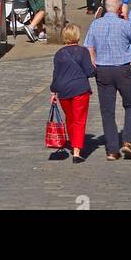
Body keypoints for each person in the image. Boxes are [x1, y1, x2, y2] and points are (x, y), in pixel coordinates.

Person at [84, 0, 131, 159]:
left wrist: (94, 63)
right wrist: (126, 19)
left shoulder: (96, 24)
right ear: (118, 8)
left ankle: (112, 150)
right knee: (130, 105)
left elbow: (89, 47)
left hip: (103, 70)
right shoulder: (124, 24)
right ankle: (127, 141)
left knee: (107, 111)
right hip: (122, 69)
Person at [49, 23, 95, 162]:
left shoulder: (59, 54)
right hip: (79, 89)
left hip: (63, 90)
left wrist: (53, 92)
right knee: (79, 119)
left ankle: (73, 142)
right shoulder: (82, 52)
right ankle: (76, 151)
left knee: (70, 118)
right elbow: (89, 71)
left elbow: (56, 75)